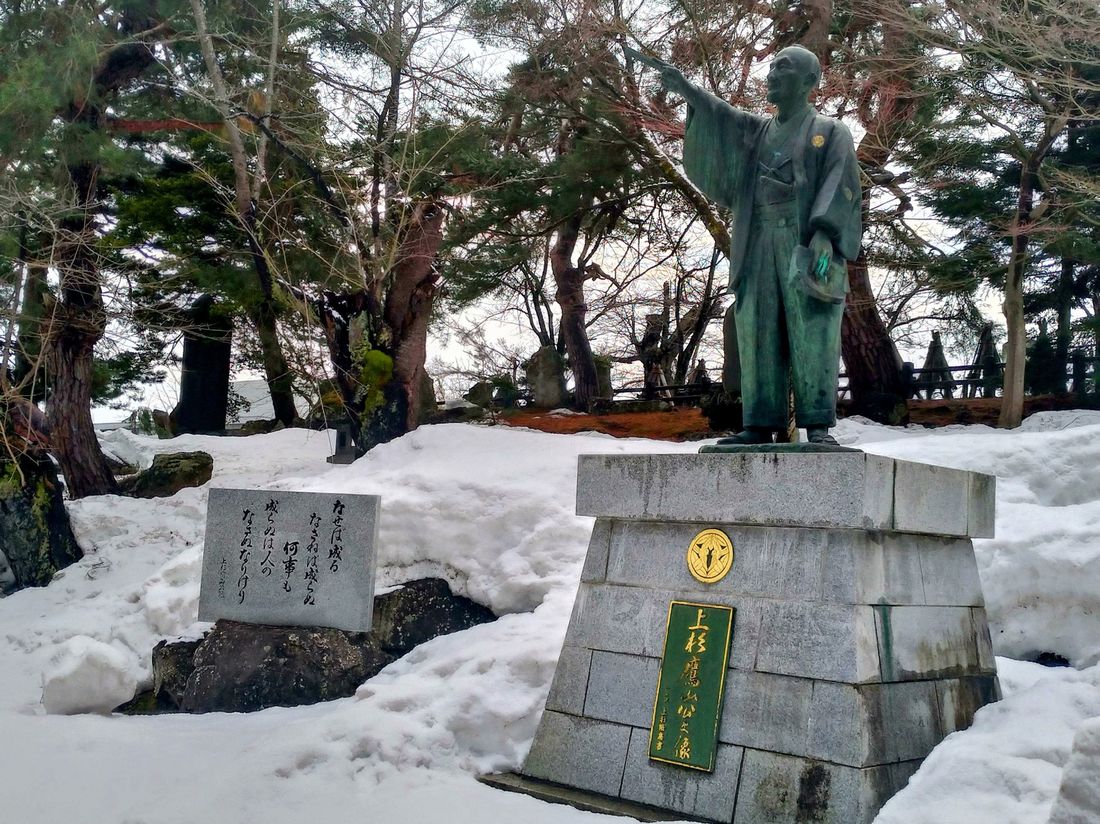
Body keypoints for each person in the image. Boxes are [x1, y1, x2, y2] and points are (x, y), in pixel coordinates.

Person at [631, 44, 862, 444]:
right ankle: (759, 421)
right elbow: (724, 117)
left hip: (803, 240)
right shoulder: (758, 132)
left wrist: (825, 234)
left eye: (783, 68)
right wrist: (687, 89)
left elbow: (842, 184)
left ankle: (818, 424)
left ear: (809, 81)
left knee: (812, 328)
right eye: (770, 67)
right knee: (756, 327)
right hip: (756, 240)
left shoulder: (829, 131)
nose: (771, 74)